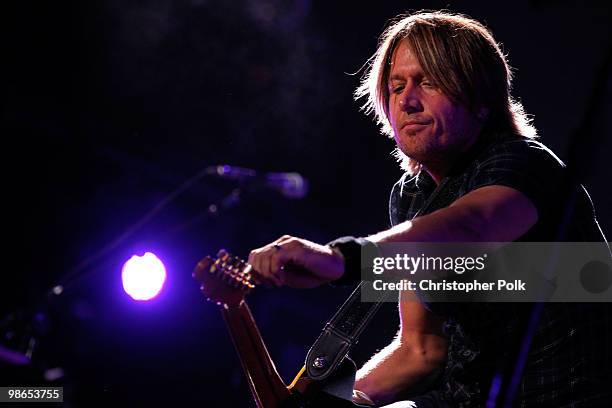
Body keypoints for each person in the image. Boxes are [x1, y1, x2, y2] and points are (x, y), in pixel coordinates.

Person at [248, 11, 611, 407]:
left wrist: (342, 259)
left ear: (482, 101)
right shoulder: (411, 197)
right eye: (396, 86)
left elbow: (472, 229)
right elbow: (420, 348)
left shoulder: (524, 163)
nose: (407, 100)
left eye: (429, 81)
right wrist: (341, 401)